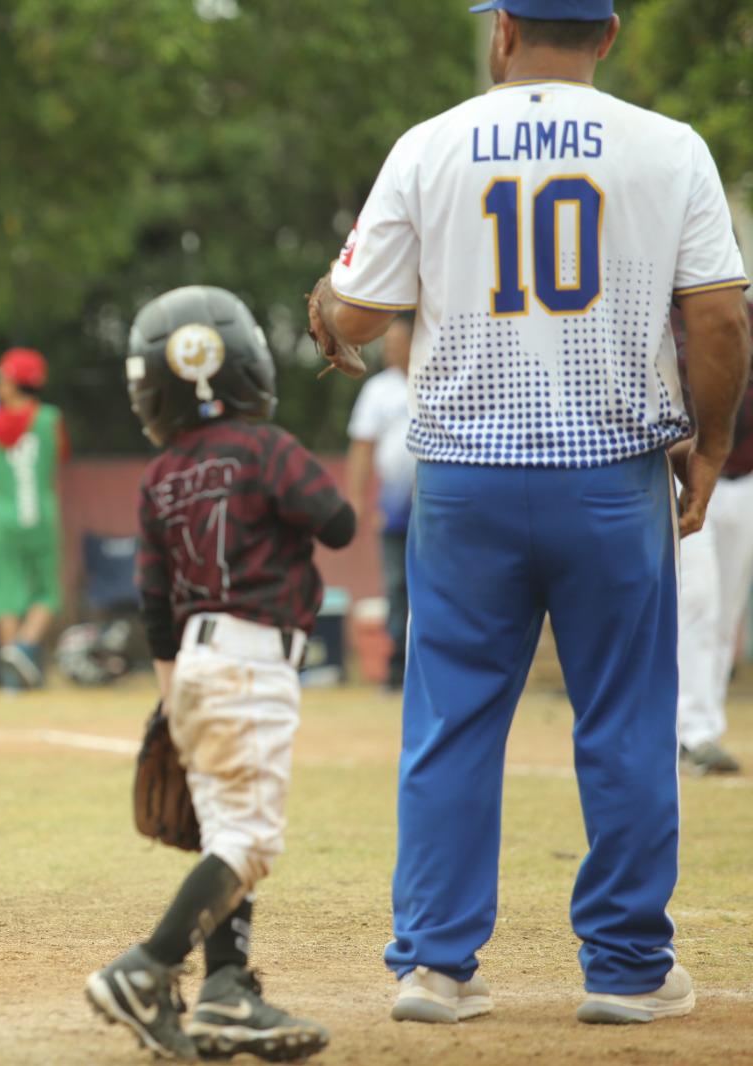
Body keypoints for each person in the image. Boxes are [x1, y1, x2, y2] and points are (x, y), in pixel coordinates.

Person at [309, 0, 750, 1025]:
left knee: (451, 720)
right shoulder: (668, 147)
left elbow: (358, 314)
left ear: (501, 30)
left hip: (462, 480)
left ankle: (434, 964)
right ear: (607, 35)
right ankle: (628, 967)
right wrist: (713, 444)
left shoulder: (428, 145)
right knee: (626, 721)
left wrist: (329, 299)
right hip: (609, 474)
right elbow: (720, 312)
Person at [86, 285, 351, 1059]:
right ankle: (145, 968)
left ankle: (226, 991)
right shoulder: (266, 447)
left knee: (226, 828)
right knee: (250, 842)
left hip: (194, 666)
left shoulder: (159, 474)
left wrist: (172, 699)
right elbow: (338, 522)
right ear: (246, 366)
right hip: (253, 661)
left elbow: (154, 602)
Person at [676, 302, 753, 776]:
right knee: (697, 599)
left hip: (743, 475)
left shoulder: (740, 312)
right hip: (685, 471)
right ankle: (691, 730)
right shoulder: (663, 313)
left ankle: (706, 720)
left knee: (726, 611)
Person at [0, 348, 66, 689]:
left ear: (17, 382)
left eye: (3, 379)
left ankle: (11, 673)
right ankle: (23, 647)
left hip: (3, 520)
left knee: (4, 593)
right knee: (47, 592)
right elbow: (59, 457)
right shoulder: (51, 419)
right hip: (41, 517)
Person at [344, 316, 415, 690]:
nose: (390, 349)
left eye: (397, 342)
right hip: (394, 503)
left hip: (437, 504)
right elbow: (362, 446)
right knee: (396, 582)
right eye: (387, 344)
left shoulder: (437, 376)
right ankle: (397, 663)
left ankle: (430, 660)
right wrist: (357, 499)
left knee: (437, 581)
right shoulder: (378, 391)